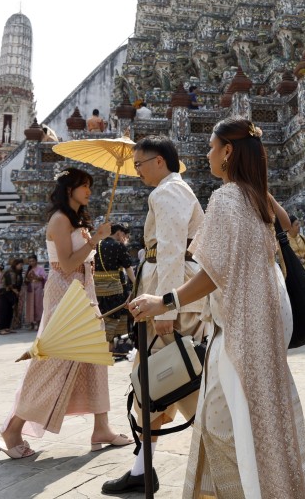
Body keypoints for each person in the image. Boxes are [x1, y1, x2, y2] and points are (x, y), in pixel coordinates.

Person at [127, 118, 305, 498]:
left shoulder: (228, 198)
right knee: (260, 417)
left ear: (228, 152)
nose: (207, 154)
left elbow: (213, 273)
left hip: (238, 330)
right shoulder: (253, 197)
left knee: (224, 424)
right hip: (261, 323)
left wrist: (164, 302)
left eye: (212, 147)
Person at [0, 167, 129, 459]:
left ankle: (101, 427)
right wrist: (94, 240)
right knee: (53, 360)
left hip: (84, 291)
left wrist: (95, 239)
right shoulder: (58, 219)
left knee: (94, 359)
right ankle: (13, 428)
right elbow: (66, 265)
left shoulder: (77, 221)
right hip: (65, 294)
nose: (89, 192)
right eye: (85, 186)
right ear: (70, 189)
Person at [102, 136, 205, 495]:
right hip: (165, 294)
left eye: (140, 163)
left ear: (159, 161)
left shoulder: (168, 192)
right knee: (158, 383)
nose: (137, 170)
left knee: (179, 379)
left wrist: (167, 305)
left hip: (171, 300)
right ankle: (141, 468)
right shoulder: (168, 190)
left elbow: (173, 248)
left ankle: (230, 458)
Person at [94, 223, 135, 349]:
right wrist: (136, 283)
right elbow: (128, 267)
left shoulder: (97, 244)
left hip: (97, 289)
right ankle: (110, 347)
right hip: (113, 289)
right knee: (114, 317)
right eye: (123, 235)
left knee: (101, 317)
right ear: (118, 233)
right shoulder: (118, 246)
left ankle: (103, 344)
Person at [0, 258, 23, 335]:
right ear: (16, 265)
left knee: (10, 311)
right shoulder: (9, 272)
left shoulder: (18, 272)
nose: (21, 266)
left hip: (11, 293)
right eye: (20, 265)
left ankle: (7, 327)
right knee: (4, 310)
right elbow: (10, 283)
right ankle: (1, 329)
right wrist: (16, 291)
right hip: (4, 293)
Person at [22, 254, 47, 331]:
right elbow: (25, 280)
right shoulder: (28, 270)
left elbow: (44, 277)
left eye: (33, 261)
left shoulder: (40, 268)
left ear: (36, 261)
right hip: (30, 288)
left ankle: (38, 322)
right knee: (30, 305)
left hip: (38, 286)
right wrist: (27, 279)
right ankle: (32, 322)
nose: (31, 262)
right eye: (30, 261)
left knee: (38, 304)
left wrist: (36, 277)